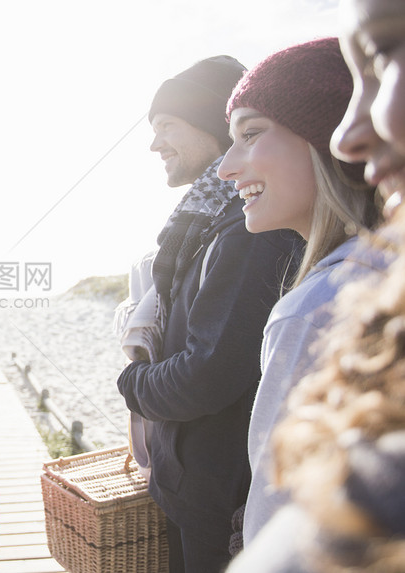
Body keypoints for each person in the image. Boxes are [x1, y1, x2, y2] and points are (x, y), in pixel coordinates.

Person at [226, 3, 405, 570]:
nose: (227, 165)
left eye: (251, 133)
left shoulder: (316, 307)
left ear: (321, 138)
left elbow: (278, 520)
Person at [116, 56, 302, 573]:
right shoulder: (204, 223)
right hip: (193, 490)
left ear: (208, 126)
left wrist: (132, 381)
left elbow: (208, 374)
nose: (155, 145)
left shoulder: (247, 233)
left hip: (222, 507)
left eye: (166, 127)